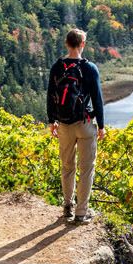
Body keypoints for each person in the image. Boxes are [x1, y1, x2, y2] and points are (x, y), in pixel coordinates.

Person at [46, 28, 105, 223]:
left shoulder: (57, 67)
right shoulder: (89, 68)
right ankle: (81, 213)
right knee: (86, 168)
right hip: (85, 123)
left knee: (67, 166)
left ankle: (67, 206)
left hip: (63, 124)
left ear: (66, 44)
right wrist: (102, 125)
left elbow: (50, 96)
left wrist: (51, 120)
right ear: (82, 45)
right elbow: (97, 99)